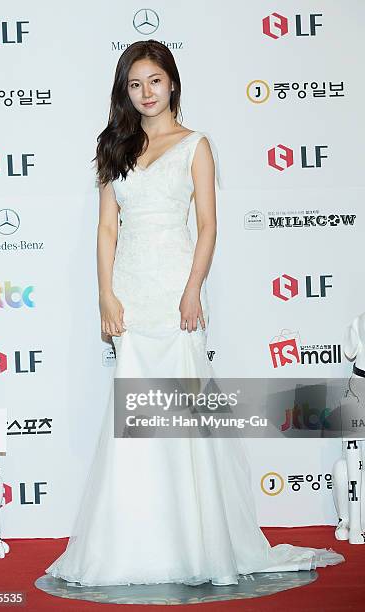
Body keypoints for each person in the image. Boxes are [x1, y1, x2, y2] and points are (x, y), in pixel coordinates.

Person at [45, 39, 345, 587]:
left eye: (154, 81)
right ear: (125, 91)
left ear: (173, 82)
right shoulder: (116, 149)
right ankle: (133, 543)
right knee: (132, 421)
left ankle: (196, 543)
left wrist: (192, 290)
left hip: (176, 293)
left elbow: (207, 227)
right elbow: (107, 229)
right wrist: (105, 295)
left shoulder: (196, 145)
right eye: (134, 84)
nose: (146, 93)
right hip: (131, 298)